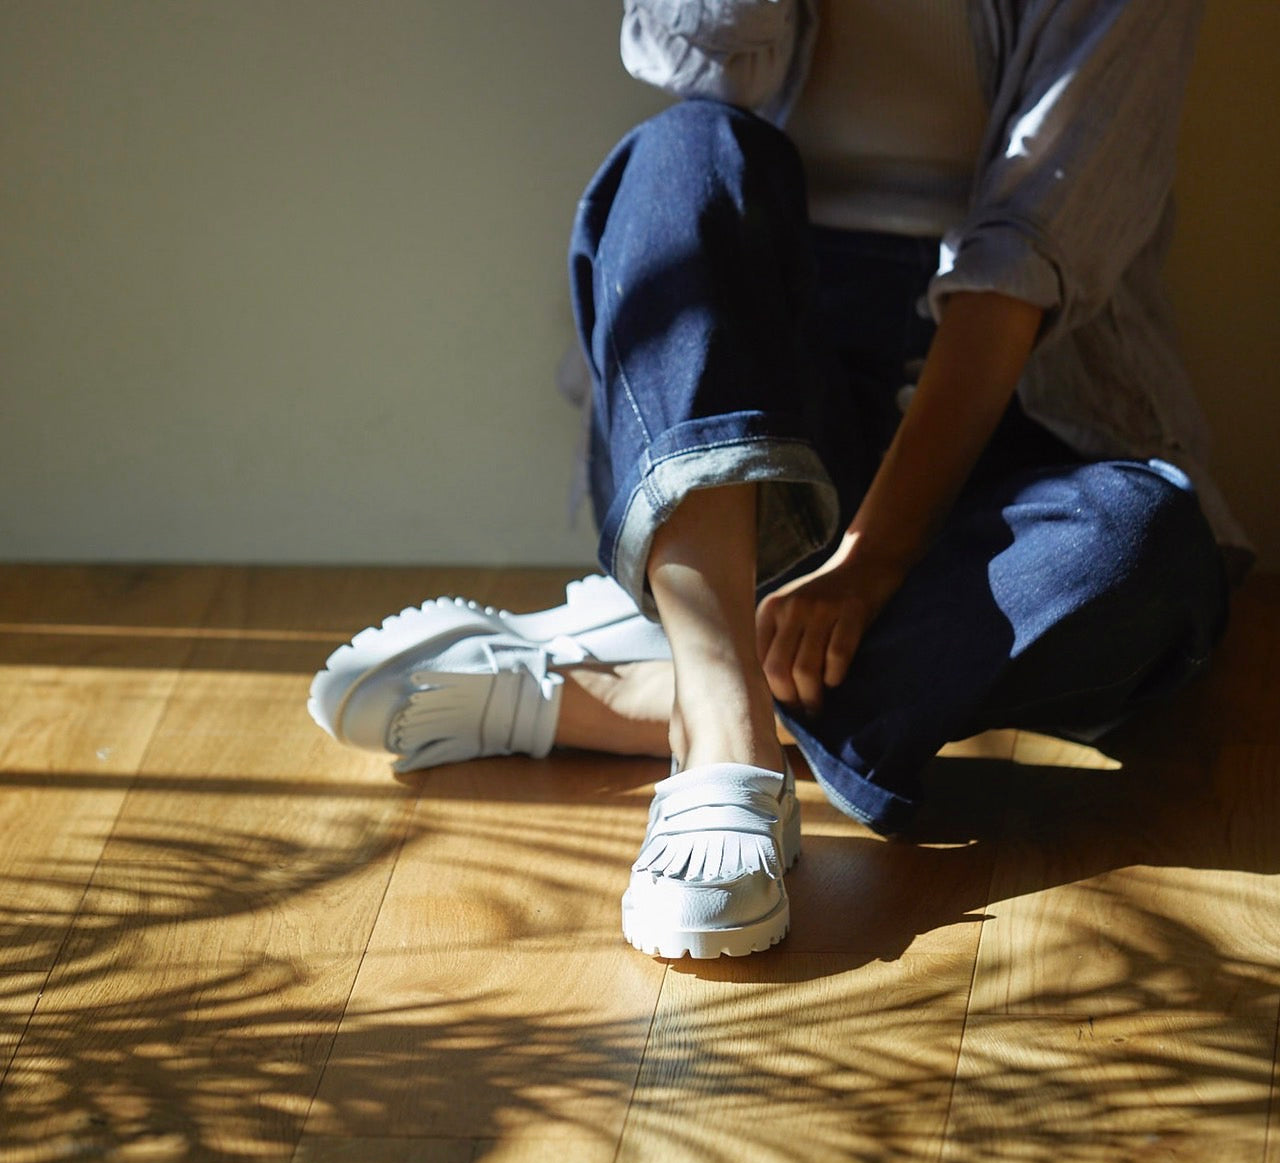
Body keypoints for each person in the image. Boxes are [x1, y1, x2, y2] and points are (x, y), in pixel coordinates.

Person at [310, 0, 1250, 960]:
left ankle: (650, 684)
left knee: (1146, 546)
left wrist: (874, 555)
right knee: (683, 147)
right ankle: (726, 725)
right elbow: (688, 65)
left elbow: (1028, 256)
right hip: (746, 403)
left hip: (1012, 393)